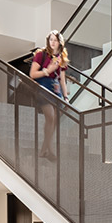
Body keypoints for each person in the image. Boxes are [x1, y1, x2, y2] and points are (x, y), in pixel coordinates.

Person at [29, 31, 70, 160]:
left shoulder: (61, 58)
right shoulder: (41, 54)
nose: (52, 42)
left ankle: (44, 149)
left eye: (55, 40)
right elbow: (32, 74)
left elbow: (62, 80)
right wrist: (47, 71)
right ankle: (49, 149)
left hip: (55, 88)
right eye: (51, 40)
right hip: (43, 87)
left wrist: (66, 97)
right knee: (50, 116)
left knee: (54, 120)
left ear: (60, 42)